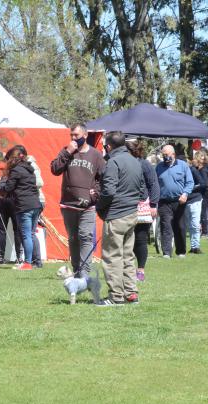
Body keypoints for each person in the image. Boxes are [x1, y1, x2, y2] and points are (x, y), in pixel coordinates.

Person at [51, 123, 105, 278]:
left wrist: (96, 194)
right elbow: (55, 169)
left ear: (85, 135)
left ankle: (85, 272)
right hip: (68, 204)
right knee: (73, 239)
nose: (74, 138)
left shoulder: (95, 155)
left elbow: (104, 178)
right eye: (71, 135)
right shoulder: (67, 151)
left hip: (87, 206)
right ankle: (76, 270)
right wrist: (68, 152)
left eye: (77, 135)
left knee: (86, 236)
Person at [95, 131, 143, 306]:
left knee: (112, 257)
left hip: (116, 215)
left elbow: (108, 192)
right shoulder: (135, 161)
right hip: (131, 214)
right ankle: (131, 293)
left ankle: (116, 297)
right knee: (128, 256)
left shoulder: (113, 162)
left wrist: (99, 207)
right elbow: (143, 190)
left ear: (108, 146)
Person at [0, 145, 41, 271]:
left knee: (26, 235)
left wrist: (0, 191)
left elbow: (9, 187)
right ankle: (36, 261)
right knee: (31, 234)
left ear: (13, 159)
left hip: (24, 205)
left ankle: (27, 263)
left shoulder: (16, 170)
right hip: (35, 204)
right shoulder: (30, 169)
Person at [126, 140, 159, 282]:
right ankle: (127, 269)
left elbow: (153, 183)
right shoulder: (121, 163)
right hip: (126, 204)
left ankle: (140, 270)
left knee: (140, 239)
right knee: (127, 239)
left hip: (142, 205)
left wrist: (153, 204)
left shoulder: (144, 164)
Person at [156, 145, 193, 258]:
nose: (165, 157)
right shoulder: (158, 167)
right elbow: (154, 183)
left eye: (167, 155)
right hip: (164, 201)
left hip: (179, 201)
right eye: (164, 155)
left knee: (180, 226)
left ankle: (181, 251)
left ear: (173, 155)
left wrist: (185, 194)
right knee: (166, 226)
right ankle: (166, 253)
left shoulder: (183, 165)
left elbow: (190, 182)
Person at [27, 155, 45, 268]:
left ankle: (36, 261)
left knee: (30, 233)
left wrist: (25, 183)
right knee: (30, 233)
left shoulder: (32, 166)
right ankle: (35, 261)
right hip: (36, 200)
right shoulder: (32, 166)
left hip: (36, 200)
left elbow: (39, 183)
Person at [186, 155, 205, 253]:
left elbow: (203, 183)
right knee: (190, 225)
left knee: (194, 224)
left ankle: (195, 246)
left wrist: (190, 188)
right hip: (186, 200)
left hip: (195, 199)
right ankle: (193, 247)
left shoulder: (192, 170)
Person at [197, 150, 208, 235]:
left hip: (205, 193)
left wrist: (196, 187)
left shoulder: (203, 170)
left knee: (203, 212)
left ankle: (204, 231)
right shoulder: (204, 168)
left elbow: (204, 183)